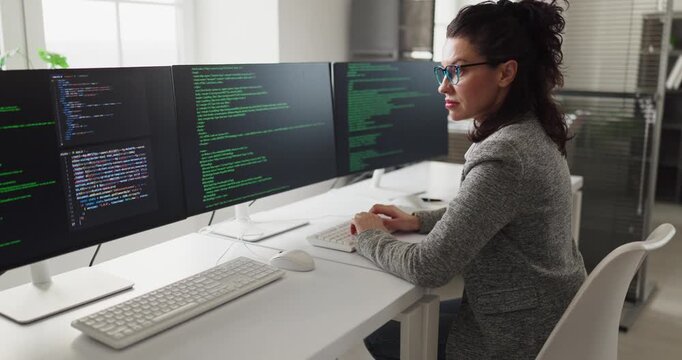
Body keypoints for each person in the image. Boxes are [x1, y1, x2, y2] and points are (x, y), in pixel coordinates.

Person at [350, 0, 586, 359]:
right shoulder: (531, 129)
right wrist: (418, 220)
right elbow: (488, 213)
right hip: (545, 314)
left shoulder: (506, 153)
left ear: (506, 73)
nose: (443, 87)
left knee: (374, 337)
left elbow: (428, 267)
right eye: (441, 71)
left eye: (457, 70)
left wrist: (369, 234)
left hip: (515, 337)